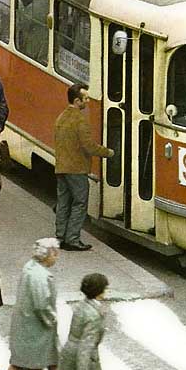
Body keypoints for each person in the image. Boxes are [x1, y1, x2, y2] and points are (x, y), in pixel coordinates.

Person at [0, 237, 60, 370]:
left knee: (19, 361)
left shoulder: (30, 267)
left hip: (26, 323)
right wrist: (52, 319)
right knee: (52, 360)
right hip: (37, 327)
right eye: (55, 253)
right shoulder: (41, 276)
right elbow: (42, 305)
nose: (57, 257)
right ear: (49, 255)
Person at [53, 83, 114, 252]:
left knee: (63, 202)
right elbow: (88, 146)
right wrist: (108, 153)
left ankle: (60, 236)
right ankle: (72, 239)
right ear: (77, 100)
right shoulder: (80, 120)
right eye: (85, 98)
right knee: (80, 203)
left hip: (61, 167)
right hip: (77, 169)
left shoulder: (61, 117)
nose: (87, 101)